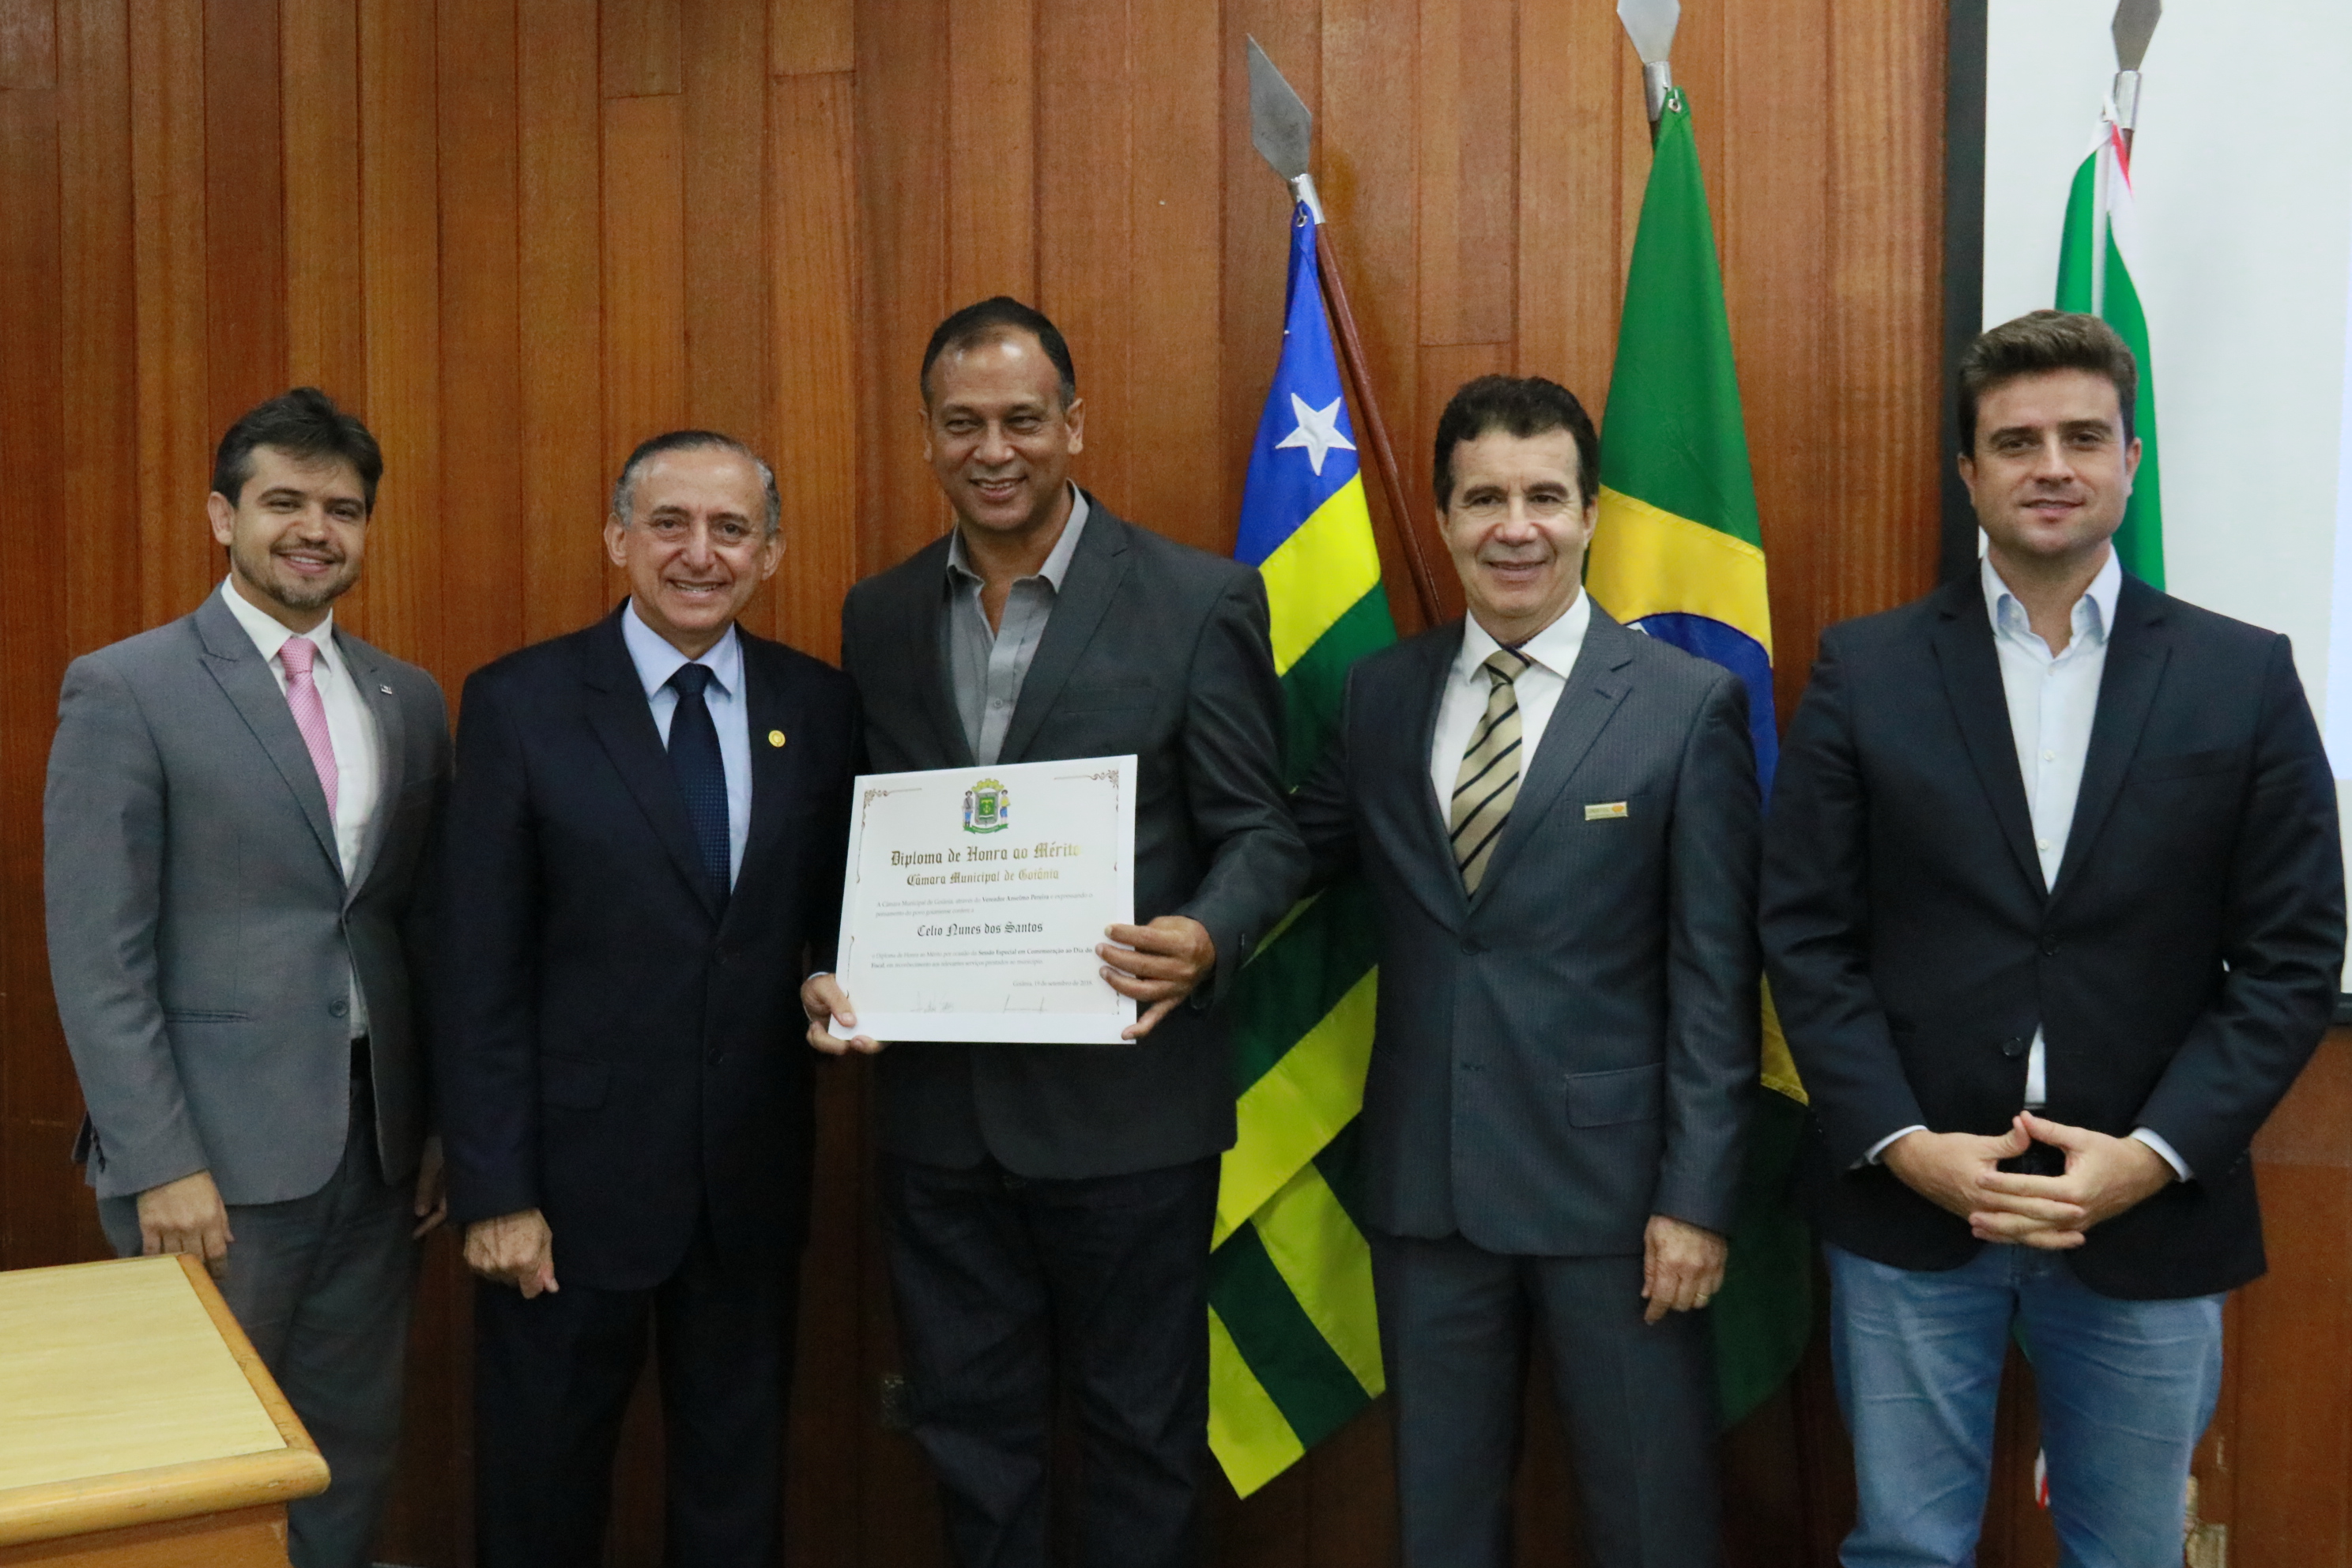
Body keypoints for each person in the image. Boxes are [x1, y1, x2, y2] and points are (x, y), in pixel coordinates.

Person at [1762, 310, 2345, 1568]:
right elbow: (1804, 936)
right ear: (1968, 473)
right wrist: (1904, 1145)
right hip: (1915, 1206)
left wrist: (2154, 1156)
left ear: (2130, 462)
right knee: (1905, 1548)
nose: (2052, 466)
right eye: (2016, 442)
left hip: (2149, 1210)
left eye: (2083, 437)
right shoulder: (1866, 673)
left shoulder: (2242, 677)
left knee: (2130, 1551)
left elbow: (2295, 956)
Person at [802, 296, 1306, 1568]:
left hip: (1128, 1112)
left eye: (1022, 420)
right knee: (969, 1439)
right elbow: (868, 837)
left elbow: (1264, 830)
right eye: (962, 423)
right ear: (926, 436)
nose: (994, 451)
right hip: (939, 1116)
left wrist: (1206, 937)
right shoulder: (879, 613)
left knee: (1140, 1437)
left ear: (1074, 425)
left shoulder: (1197, 598)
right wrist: (831, 971)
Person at [1289, 374, 1759, 1567]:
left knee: (1652, 1524)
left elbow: (1716, 980)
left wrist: (1697, 1199)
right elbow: (1291, 852)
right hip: (1428, 1188)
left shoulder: (1684, 706)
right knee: (1442, 1527)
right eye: (1484, 498)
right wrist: (1149, 908)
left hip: (1621, 1202)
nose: (1516, 528)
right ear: (1444, 517)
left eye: (1544, 496)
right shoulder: (1381, 694)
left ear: (1591, 513)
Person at [432, 432, 856, 1566]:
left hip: (749, 1182)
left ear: (771, 553)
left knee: (735, 1499)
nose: (699, 554)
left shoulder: (818, 706)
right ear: (618, 539)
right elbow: (477, 967)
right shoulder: (520, 703)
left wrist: (831, 974)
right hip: (565, 1197)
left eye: (731, 529)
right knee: (541, 1495)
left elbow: (830, 911)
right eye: (670, 523)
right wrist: (495, 1191)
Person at [43, 388, 450, 1568]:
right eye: (285, 502)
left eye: (343, 509)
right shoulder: (128, 686)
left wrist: (436, 1129)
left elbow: (411, 929)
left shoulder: (408, 698)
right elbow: (98, 953)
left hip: (375, 1154)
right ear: (223, 516)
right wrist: (158, 1159)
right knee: (200, 1466)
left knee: (346, 1450)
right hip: (210, 1166)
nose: (315, 530)